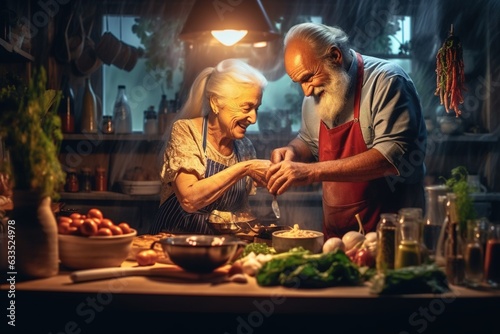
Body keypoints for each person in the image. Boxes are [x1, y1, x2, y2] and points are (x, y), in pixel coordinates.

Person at [266, 23, 427, 239]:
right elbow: (307, 139)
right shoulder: (314, 94)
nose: (306, 90)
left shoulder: (387, 81)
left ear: (335, 56)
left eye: (308, 78)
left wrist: (311, 172)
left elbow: (391, 157)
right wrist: (292, 151)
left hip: (392, 232)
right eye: (299, 82)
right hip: (337, 237)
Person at [149, 58, 270, 235]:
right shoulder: (187, 131)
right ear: (215, 103)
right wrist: (245, 168)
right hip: (174, 245)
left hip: (219, 248)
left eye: (257, 109)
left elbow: (241, 214)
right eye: (246, 108)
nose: (253, 119)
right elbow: (189, 200)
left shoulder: (244, 148)